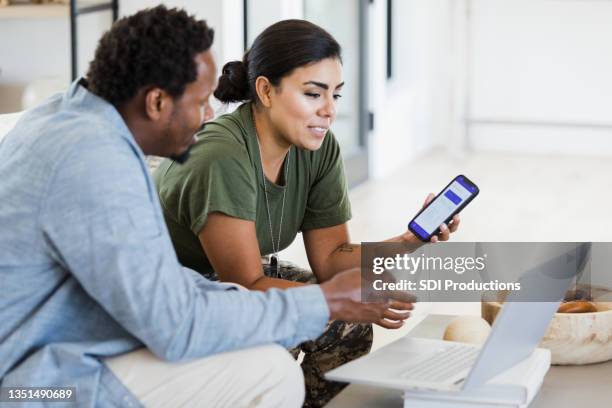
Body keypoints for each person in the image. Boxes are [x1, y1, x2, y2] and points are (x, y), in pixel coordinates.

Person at [0, 7, 412, 408]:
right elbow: (176, 323)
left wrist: (406, 247)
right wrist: (323, 302)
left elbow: (166, 289)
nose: (208, 116)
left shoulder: (70, 116)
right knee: (269, 372)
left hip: (73, 332)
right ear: (157, 102)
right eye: (200, 102)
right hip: (32, 381)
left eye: (334, 94)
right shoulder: (96, 164)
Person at [154, 19, 460, 407]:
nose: (329, 111)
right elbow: (246, 284)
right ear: (265, 90)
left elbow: (333, 260)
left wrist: (408, 241)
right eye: (314, 94)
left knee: (347, 325)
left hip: (237, 278)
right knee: (276, 341)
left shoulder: (318, 148)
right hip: (179, 289)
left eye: (336, 95)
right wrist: (339, 300)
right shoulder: (222, 156)